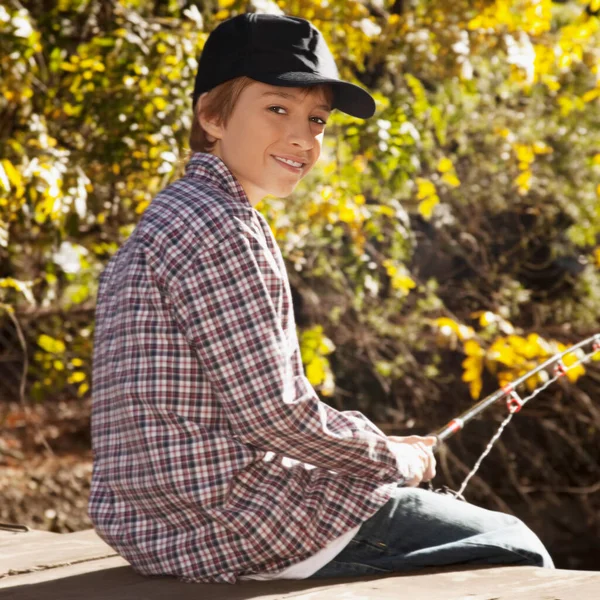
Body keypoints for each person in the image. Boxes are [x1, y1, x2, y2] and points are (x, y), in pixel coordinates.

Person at [88, 12, 554, 585]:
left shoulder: (170, 215)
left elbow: (251, 412)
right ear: (211, 115)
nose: (302, 137)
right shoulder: (224, 228)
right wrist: (395, 460)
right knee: (512, 545)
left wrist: (375, 443)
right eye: (277, 109)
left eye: (317, 120)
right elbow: (276, 416)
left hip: (155, 527)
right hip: (232, 526)